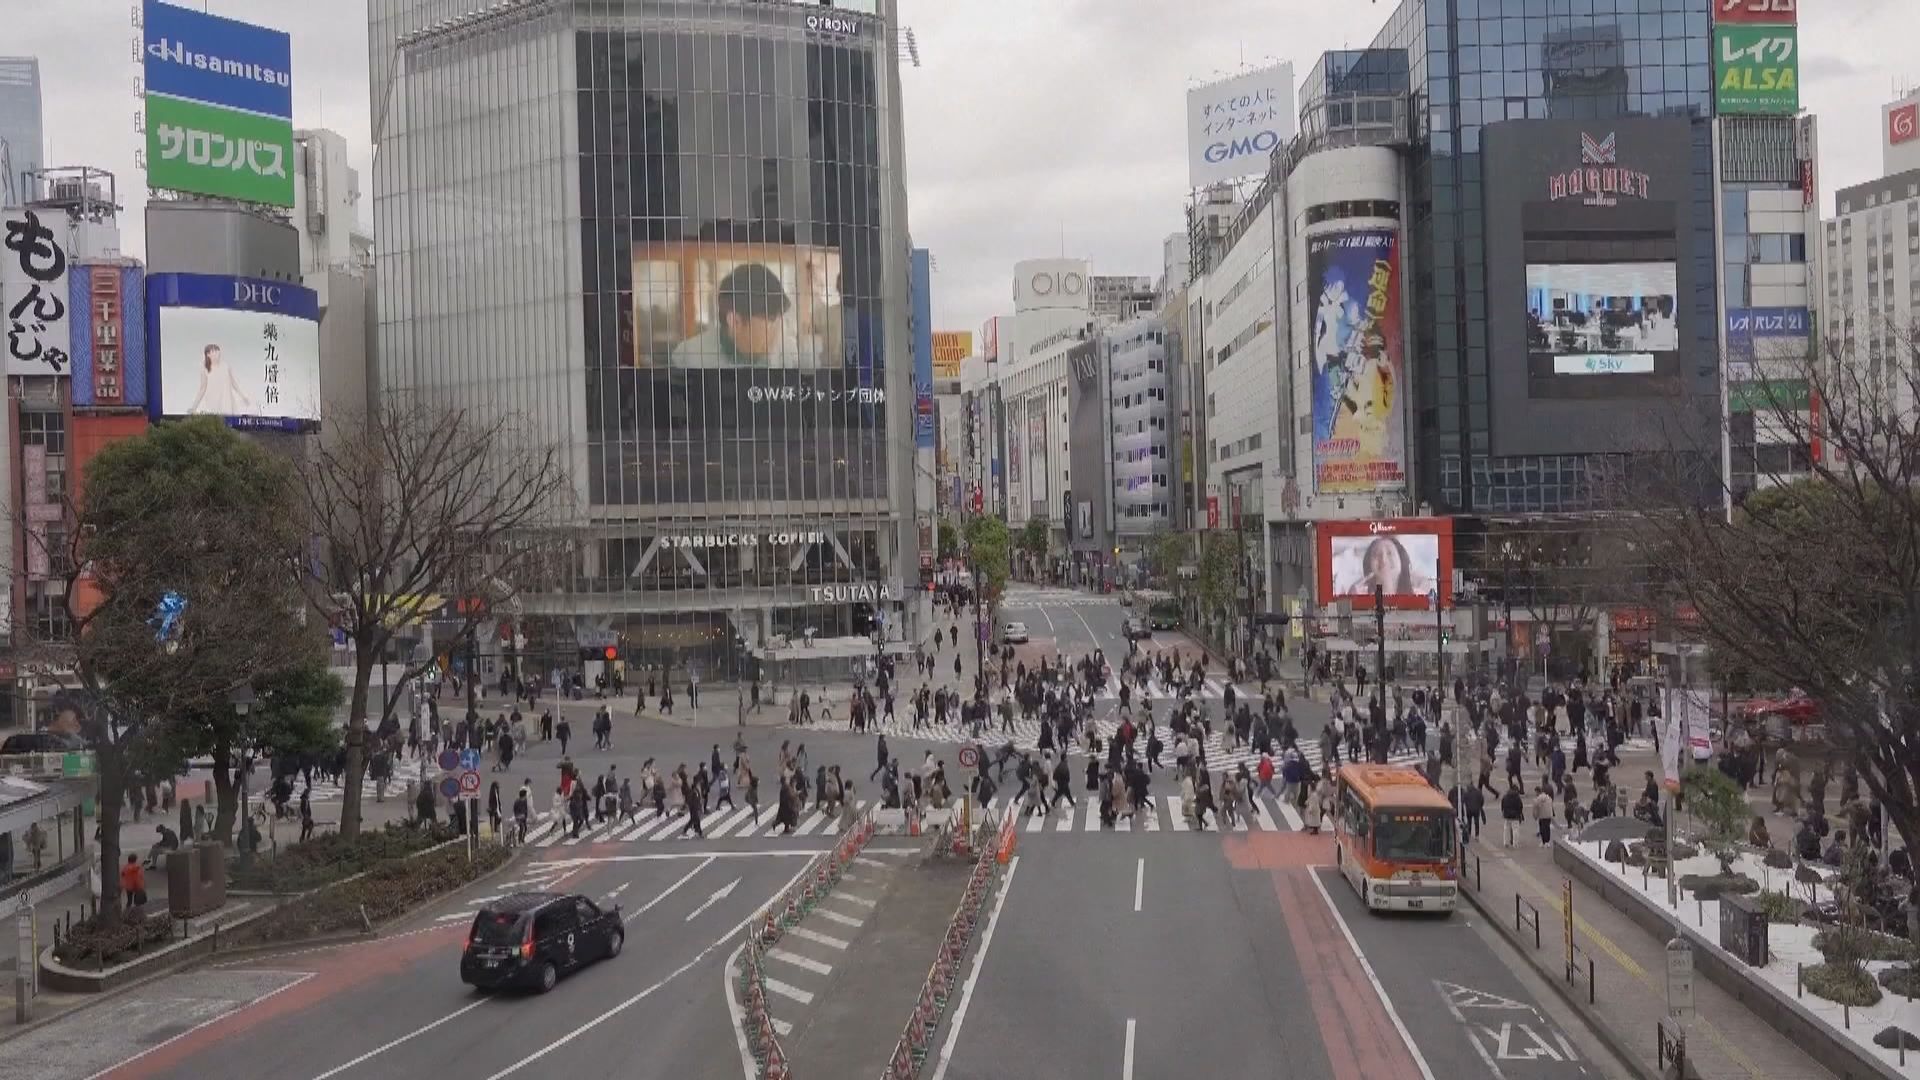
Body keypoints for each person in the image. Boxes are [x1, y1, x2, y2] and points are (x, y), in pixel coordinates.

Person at [668, 263, 792, 368]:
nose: (778, 333)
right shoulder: (688, 357)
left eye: (780, 318)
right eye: (771, 320)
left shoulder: (787, 351)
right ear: (735, 321)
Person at [187, 343, 253, 414]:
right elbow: (202, 389)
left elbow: (234, 383)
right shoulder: (205, 369)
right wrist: (194, 407)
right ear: (208, 354)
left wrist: (243, 396)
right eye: (214, 351)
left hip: (226, 401)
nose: (217, 352)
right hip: (212, 402)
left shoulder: (226, 366)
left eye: (218, 350)